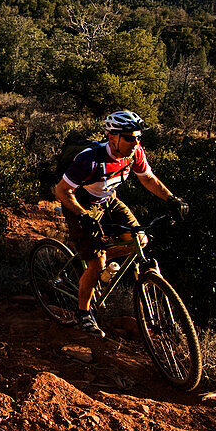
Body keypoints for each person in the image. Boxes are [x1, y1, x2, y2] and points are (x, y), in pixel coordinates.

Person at [53, 110, 188, 338]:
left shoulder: (134, 153)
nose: (135, 142)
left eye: (137, 137)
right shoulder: (90, 160)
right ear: (112, 137)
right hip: (81, 204)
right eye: (129, 137)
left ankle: (104, 265)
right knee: (96, 263)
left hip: (109, 200)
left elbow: (148, 178)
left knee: (140, 241)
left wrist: (172, 199)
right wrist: (83, 215)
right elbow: (62, 191)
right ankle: (83, 313)